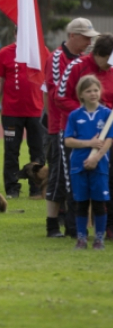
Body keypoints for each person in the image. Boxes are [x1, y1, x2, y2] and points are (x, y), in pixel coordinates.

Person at [44, 18, 98, 238]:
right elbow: (57, 95)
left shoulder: (84, 60)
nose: (89, 42)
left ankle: (71, 223)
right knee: (58, 177)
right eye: (85, 37)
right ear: (72, 36)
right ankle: (52, 225)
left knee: (74, 177)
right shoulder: (57, 58)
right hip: (61, 127)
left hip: (81, 129)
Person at [56, 32, 113, 238]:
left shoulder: (112, 69)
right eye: (107, 61)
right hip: (78, 135)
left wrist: (104, 114)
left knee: (107, 181)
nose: (109, 66)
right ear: (99, 54)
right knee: (76, 182)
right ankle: (75, 229)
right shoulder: (77, 66)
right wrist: (88, 111)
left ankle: (108, 228)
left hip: (107, 136)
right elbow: (60, 97)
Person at [0, 31, 45, 198]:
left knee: (38, 151)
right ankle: (12, 188)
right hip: (11, 112)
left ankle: (37, 188)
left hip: (37, 111)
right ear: (15, 34)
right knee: (11, 151)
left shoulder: (41, 51)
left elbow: (50, 79)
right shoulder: (5, 53)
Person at [63, 75, 112, 250]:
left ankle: (99, 239)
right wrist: (89, 144)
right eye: (88, 91)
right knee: (81, 203)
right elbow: (68, 140)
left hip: (99, 166)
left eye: (96, 90)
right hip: (79, 165)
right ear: (81, 94)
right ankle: (81, 239)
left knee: (99, 203)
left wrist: (96, 157)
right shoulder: (75, 116)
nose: (93, 93)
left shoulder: (107, 114)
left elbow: (108, 140)